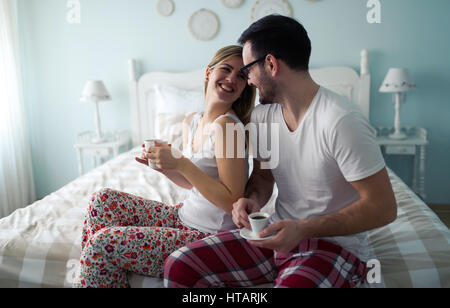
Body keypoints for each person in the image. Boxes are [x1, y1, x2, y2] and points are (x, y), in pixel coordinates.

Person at [163, 15, 397, 288]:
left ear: (271, 64)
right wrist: (249, 200)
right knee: (180, 264)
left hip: (332, 247)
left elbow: (383, 208)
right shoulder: (264, 117)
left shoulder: (340, 120)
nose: (247, 81)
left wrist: (304, 228)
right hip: (273, 233)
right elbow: (263, 178)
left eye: (248, 70)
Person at [74, 45, 256, 288]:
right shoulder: (193, 121)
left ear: (245, 86)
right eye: (226, 69)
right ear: (208, 73)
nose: (232, 78)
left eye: (241, 76)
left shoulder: (229, 128)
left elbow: (233, 201)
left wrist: (181, 163)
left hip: (209, 235)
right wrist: (165, 167)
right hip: (183, 217)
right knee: (103, 201)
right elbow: (193, 183)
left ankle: (96, 269)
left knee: (102, 244)